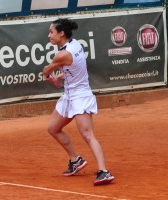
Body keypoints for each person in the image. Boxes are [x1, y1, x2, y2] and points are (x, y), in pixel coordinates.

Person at [42, 18, 114, 186]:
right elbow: (75, 68)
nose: (49, 35)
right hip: (69, 96)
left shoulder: (62, 54)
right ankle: (75, 160)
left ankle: (104, 171)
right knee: (53, 128)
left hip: (80, 97)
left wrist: (49, 75)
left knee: (88, 135)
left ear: (61, 33)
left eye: (52, 32)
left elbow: (47, 69)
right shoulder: (76, 44)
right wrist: (60, 78)